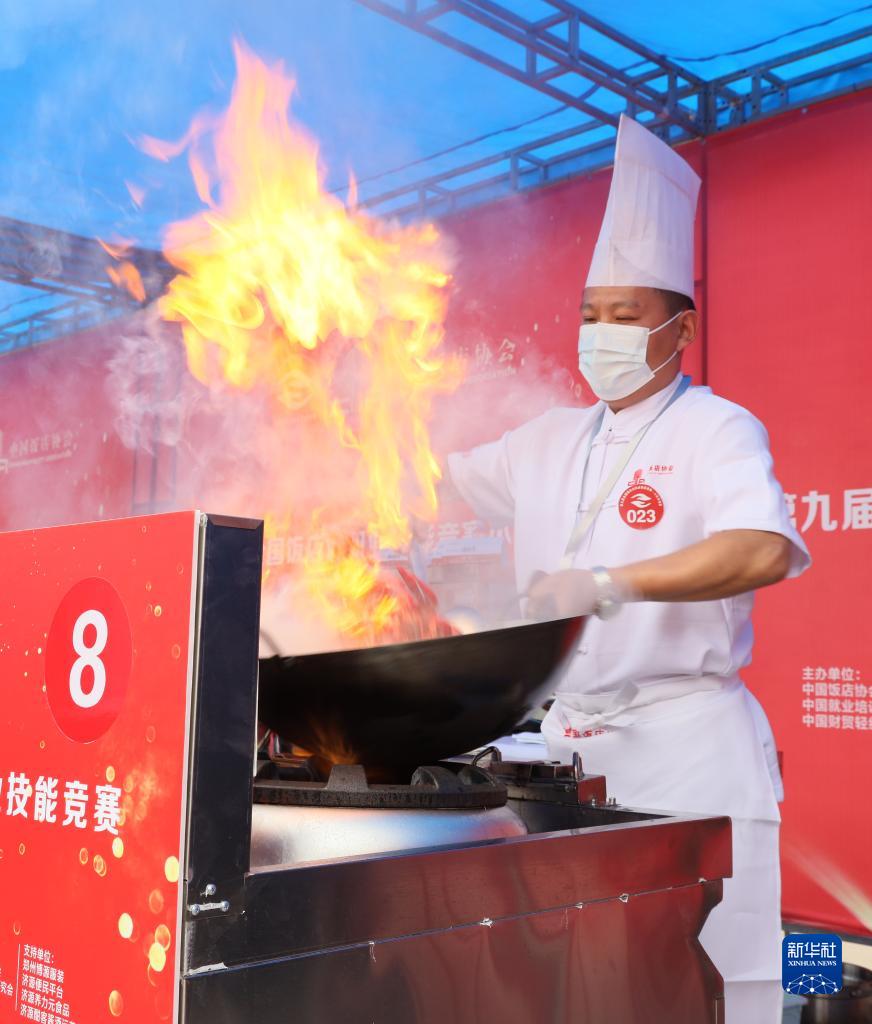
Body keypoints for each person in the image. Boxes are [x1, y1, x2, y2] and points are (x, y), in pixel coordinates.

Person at [446, 114, 810, 1023]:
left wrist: (612, 583)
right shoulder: (544, 440)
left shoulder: (715, 427)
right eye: (589, 316)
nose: (599, 334)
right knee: (587, 990)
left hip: (690, 754)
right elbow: (418, 465)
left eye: (625, 317)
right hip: (568, 755)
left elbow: (763, 546)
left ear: (680, 328)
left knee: (725, 986)